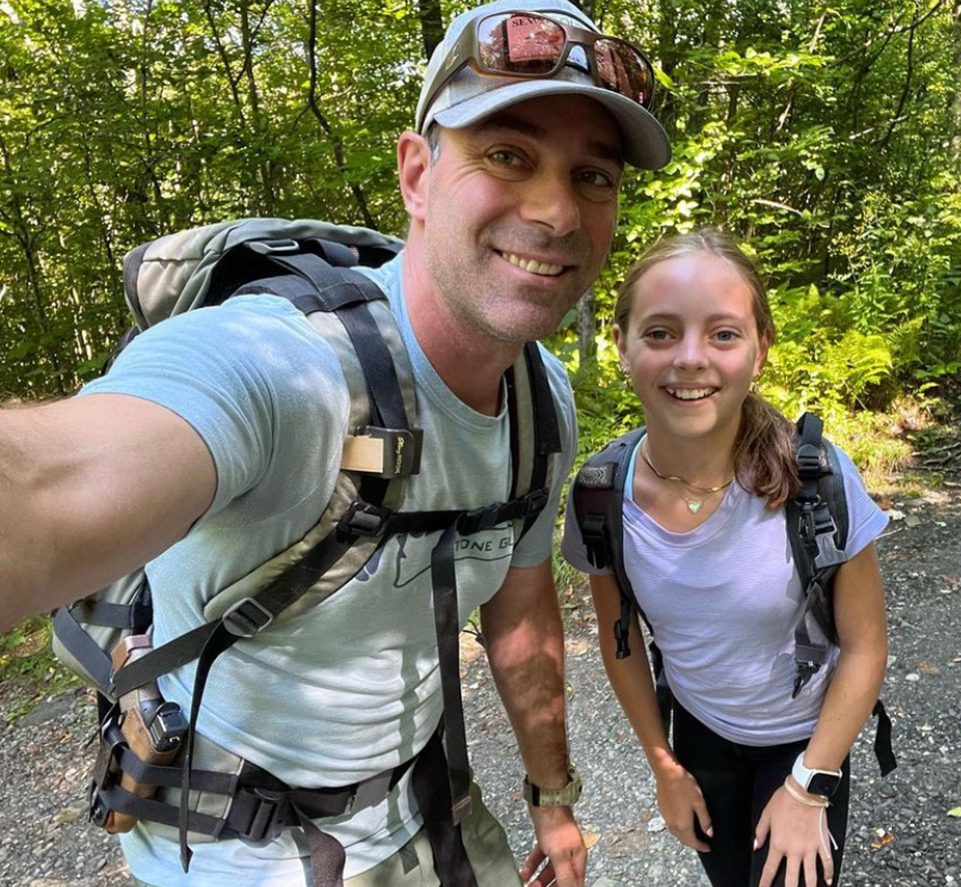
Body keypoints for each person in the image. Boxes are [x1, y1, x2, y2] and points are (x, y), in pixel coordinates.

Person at [0, 1, 671, 885]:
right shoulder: (284, 366)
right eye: (508, 155)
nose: (555, 211)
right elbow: (46, 486)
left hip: (430, 815)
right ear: (417, 174)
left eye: (594, 177)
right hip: (237, 855)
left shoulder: (540, 398)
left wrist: (554, 795)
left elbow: (520, 605)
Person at [561, 229, 890, 887]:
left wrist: (808, 786)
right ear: (620, 344)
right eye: (659, 333)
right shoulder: (600, 496)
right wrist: (664, 766)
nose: (690, 358)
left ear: (759, 349)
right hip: (701, 739)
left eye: (723, 334)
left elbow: (865, 646)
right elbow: (621, 640)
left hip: (807, 740)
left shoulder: (817, 478)